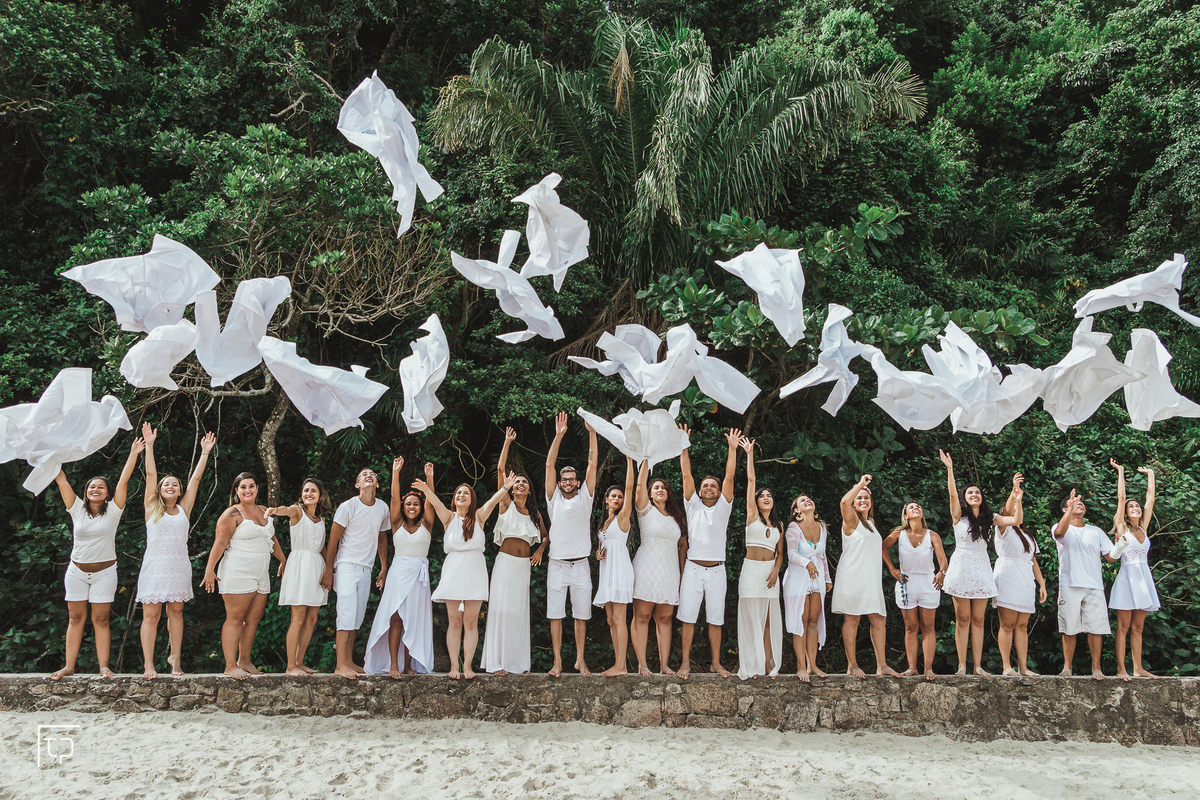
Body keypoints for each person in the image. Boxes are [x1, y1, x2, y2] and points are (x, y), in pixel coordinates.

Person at [49, 435, 143, 680]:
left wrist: (134, 453)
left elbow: (124, 480)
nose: (95, 489)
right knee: (75, 617)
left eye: (101, 487)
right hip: (77, 572)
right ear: (86, 492)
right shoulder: (76, 509)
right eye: (92, 486)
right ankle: (69, 666)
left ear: (107, 493)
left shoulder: (113, 511)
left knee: (101, 619)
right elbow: (61, 479)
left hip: (104, 573)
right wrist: (50, 451)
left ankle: (103, 667)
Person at [137, 423, 215, 678]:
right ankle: (149, 664)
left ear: (180, 490)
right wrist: (149, 446)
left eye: (174, 484)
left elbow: (196, 479)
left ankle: (175, 661)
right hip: (154, 568)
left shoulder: (184, 509)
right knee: (151, 616)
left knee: (177, 613)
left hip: (178, 566)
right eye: (166, 484)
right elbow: (150, 475)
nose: (170, 486)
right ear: (160, 490)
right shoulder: (151, 508)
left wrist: (204, 452)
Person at [417, 474, 513, 679]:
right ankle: (454, 666)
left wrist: (505, 488)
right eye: (458, 492)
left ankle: (467, 665)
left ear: (472, 499)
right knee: (454, 621)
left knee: (470, 621)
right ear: (454, 499)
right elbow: (435, 502)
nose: (462, 495)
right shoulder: (449, 518)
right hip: (453, 569)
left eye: (466, 493)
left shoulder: (478, 517)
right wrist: (426, 488)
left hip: (475, 571)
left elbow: (492, 502)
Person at [938, 451, 1021, 675]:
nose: (974, 495)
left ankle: (977, 666)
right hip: (962, 566)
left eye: (977, 492)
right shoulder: (958, 516)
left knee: (978, 618)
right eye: (970, 492)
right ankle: (962, 666)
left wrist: (1017, 498)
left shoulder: (990, 517)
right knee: (962, 618)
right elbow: (952, 495)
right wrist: (950, 469)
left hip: (982, 567)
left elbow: (1016, 520)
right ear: (965, 497)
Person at [202, 473, 287, 680]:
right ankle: (230, 665)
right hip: (238, 570)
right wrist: (209, 569)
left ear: (257, 488)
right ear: (236, 491)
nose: (247, 490)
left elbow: (271, 538)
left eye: (251, 486)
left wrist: (284, 560)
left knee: (253, 619)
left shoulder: (264, 511)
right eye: (243, 487)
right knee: (236, 618)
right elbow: (220, 543)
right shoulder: (232, 513)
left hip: (261, 572)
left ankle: (245, 660)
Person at [363, 458, 437, 678]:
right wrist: (395, 473)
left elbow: (432, 503)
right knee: (395, 618)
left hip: (419, 575)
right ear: (404, 508)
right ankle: (394, 664)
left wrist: (430, 479)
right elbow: (394, 498)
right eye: (408, 504)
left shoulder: (427, 524)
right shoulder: (396, 524)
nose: (412, 507)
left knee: (413, 619)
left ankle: (408, 665)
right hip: (399, 572)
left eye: (415, 504)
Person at [482, 429, 547, 676]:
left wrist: (540, 549)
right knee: (501, 610)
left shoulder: (535, 514)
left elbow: (546, 537)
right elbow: (500, 471)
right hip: (505, 564)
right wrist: (507, 442)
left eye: (524, 483)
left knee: (519, 613)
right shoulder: (505, 504)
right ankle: (497, 663)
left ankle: (519, 664)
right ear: (512, 488)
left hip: (523, 568)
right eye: (517, 482)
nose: (520, 484)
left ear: (529, 490)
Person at [677, 426, 740, 680]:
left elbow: (730, 477)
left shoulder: (724, 508)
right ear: (700, 491)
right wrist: (684, 444)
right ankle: (684, 663)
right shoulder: (692, 506)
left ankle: (715, 663)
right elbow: (685, 474)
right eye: (706, 486)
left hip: (717, 570)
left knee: (716, 619)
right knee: (688, 618)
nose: (710, 488)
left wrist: (732, 449)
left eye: (713, 485)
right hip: (692, 569)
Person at [320, 468, 392, 680]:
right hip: (346, 566)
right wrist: (328, 570)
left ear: (377, 485)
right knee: (346, 613)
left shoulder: (382, 508)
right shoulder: (348, 506)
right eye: (363, 475)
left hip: (367, 568)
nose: (369, 476)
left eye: (372, 474)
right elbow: (333, 541)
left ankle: (349, 660)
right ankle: (340, 664)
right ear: (357, 485)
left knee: (357, 616)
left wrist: (384, 566)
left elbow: (382, 538)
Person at [543, 412, 598, 676]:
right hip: (557, 565)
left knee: (581, 615)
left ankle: (580, 660)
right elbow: (549, 466)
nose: (567, 482)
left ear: (577, 483)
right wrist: (559, 435)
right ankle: (557, 662)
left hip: (581, 565)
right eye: (563, 479)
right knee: (556, 614)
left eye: (571, 480)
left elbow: (592, 466)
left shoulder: (585, 498)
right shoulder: (554, 499)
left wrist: (592, 433)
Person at [831, 474, 895, 677]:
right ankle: (852, 665)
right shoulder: (851, 520)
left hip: (871, 579)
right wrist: (860, 484)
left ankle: (882, 665)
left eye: (866, 498)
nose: (863, 501)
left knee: (879, 619)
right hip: (853, 577)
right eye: (859, 498)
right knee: (853, 620)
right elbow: (843, 502)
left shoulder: (872, 522)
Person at [267, 477, 332, 676]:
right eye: (306, 491)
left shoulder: (321, 520)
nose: (309, 494)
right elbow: (285, 509)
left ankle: (300, 661)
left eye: (313, 491)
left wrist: (328, 571)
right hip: (300, 566)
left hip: (317, 568)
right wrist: (275, 510)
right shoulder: (297, 511)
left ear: (320, 496)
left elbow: (322, 548)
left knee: (312, 618)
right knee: (298, 617)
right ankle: (290, 666)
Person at [631, 460, 688, 675]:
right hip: (646, 567)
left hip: (669, 571)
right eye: (656, 487)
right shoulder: (645, 511)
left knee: (665, 618)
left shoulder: (676, 518)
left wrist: (682, 573)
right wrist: (646, 458)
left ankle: (664, 665)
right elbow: (638, 487)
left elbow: (682, 545)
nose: (660, 489)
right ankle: (642, 665)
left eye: (664, 487)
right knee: (642, 616)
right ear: (650, 494)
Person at [1105, 460, 1160, 681]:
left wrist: (1151, 474)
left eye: (1137, 506)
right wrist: (1120, 472)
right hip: (1127, 577)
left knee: (1138, 627)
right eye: (1132, 507)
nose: (1136, 508)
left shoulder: (1143, 528)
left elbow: (1151, 499)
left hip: (1143, 578)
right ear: (1126, 513)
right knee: (1124, 626)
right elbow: (1120, 498)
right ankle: (1121, 669)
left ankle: (1138, 668)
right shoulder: (1122, 528)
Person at [882, 500, 948, 680]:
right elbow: (882, 546)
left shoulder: (932, 535)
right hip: (906, 581)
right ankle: (912, 667)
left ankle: (928, 669)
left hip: (929, 581)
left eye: (918, 506)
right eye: (911, 507)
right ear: (906, 516)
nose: (916, 508)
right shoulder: (898, 534)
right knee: (910, 627)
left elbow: (943, 560)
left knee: (928, 626)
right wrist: (892, 569)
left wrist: (941, 572)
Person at [735, 437, 784, 680]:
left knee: (766, 622)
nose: (765, 497)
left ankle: (767, 665)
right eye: (762, 495)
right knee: (751, 621)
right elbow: (751, 480)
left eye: (769, 496)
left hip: (769, 574)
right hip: (751, 570)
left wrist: (776, 570)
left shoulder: (779, 525)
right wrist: (749, 453)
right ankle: (751, 666)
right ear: (756, 500)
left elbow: (781, 553)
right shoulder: (752, 516)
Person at [1052, 488, 1113, 679]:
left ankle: (1096, 668)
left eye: (1081, 503)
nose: (1080, 503)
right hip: (1069, 583)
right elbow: (1061, 533)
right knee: (1069, 627)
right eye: (1074, 502)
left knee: (1096, 628)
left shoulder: (1096, 531)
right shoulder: (1059, 526)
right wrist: (1070, 508)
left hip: (1094, 585)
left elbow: (1111, 558)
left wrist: (1121, 544)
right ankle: (1067, 668)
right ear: (1065, 509)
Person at [993, 476, 1047, 676]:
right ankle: (1007, 666)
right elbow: (1007, 512)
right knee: (1007, 624)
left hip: (1025, 580)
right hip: (1007, 576)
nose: (1016, 512)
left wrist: (1041, 584)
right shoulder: (1003, 530)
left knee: (1022, 626)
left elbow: (1033, 561)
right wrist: (1014, 495)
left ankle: (1023, 667)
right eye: (1014, 509)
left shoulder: (1028, 536)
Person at [594, 456, 636, 676]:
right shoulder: (604, 522)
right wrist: (598, 554)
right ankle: (618, 662)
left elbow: (630, 487)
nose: (618, 498)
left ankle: (622, 666)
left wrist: (629, 460)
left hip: (620, 571)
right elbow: (602, 546)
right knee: (611, 619)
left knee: (619, 618)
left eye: (620, 496)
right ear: (606, 500)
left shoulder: (623, 519)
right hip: (606, 572)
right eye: (614, 496)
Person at [783, 495, 831, 681]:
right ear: (796, 511)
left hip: (817, 579)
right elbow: (791, 554)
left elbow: (823, 555)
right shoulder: (793, 528)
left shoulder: (822, 527)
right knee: (800, 621)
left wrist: (827, 578)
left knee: (813, 621)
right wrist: (807, 563)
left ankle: (813, 665)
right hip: (797, 578)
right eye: (802, 501)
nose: (808, 501)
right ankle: (801, 666)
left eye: (809, 499)